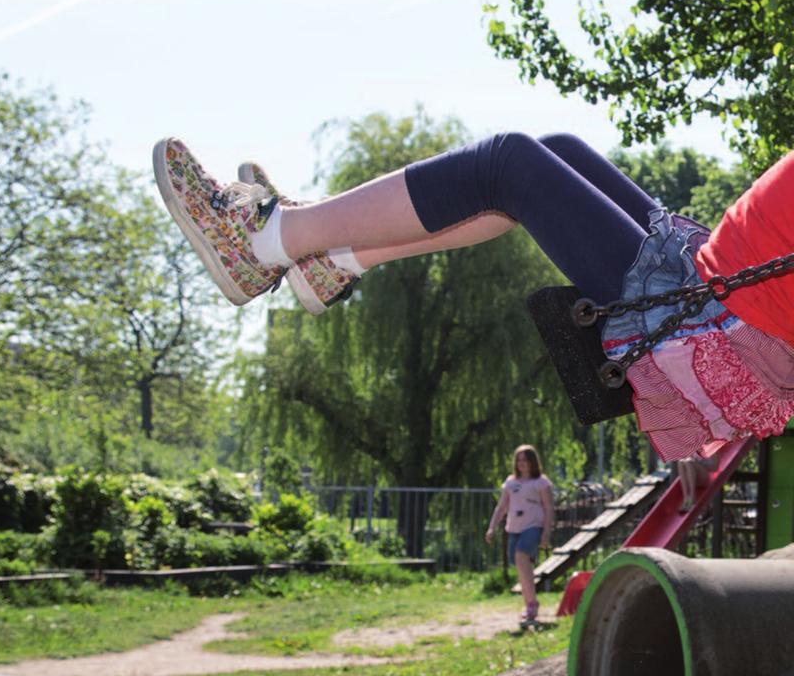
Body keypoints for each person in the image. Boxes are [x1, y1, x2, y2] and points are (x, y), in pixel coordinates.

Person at [153, 132, 794, 463]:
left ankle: (263, 242)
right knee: (557, 152)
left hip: (707, 311)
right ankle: (338, 260)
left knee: (507, 165)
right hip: (706, 270)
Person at [484, 444, 555, 627]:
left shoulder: (541, 483)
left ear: (533, 461)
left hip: (533, 526)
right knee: (522, 567)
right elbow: (502, 507)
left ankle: (531, 604)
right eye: (519, 460)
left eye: (525, 459)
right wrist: (492, 527)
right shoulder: (511, 482)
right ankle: (529, 603)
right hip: (514, 528)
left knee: (521, 556)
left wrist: (546, 532)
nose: (522, 463)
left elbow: (548, 508)